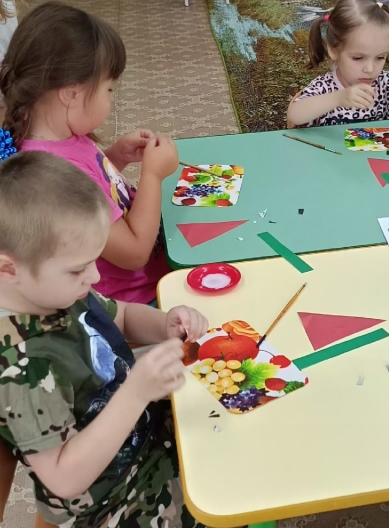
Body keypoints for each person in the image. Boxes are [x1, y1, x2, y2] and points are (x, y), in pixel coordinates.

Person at [0, 150, 209, 528]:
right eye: (79, 268)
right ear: (8, 269)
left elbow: (121, 316)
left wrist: (164, 324)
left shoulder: (58, 290)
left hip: (146, 437)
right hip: (112, 502)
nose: (95, 277)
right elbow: (63, 479)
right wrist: (136, 393)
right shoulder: (20, 369)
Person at [0, 1, 178, 305]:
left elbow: (92, 187)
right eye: (109, 89)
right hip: (138, 299)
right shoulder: (51, 177)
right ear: (71, 93)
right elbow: (135, 253)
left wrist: (115, 157)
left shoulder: (59, 138)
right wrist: (152, 175)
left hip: (155, 273)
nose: (111, 98)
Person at [287, 0, 389, 128]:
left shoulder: (387, 84)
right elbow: (294, 115)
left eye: (380, 57)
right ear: (334, 50)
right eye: (358, 58)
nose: (370, 69)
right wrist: (338, 98)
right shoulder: (325, 88)